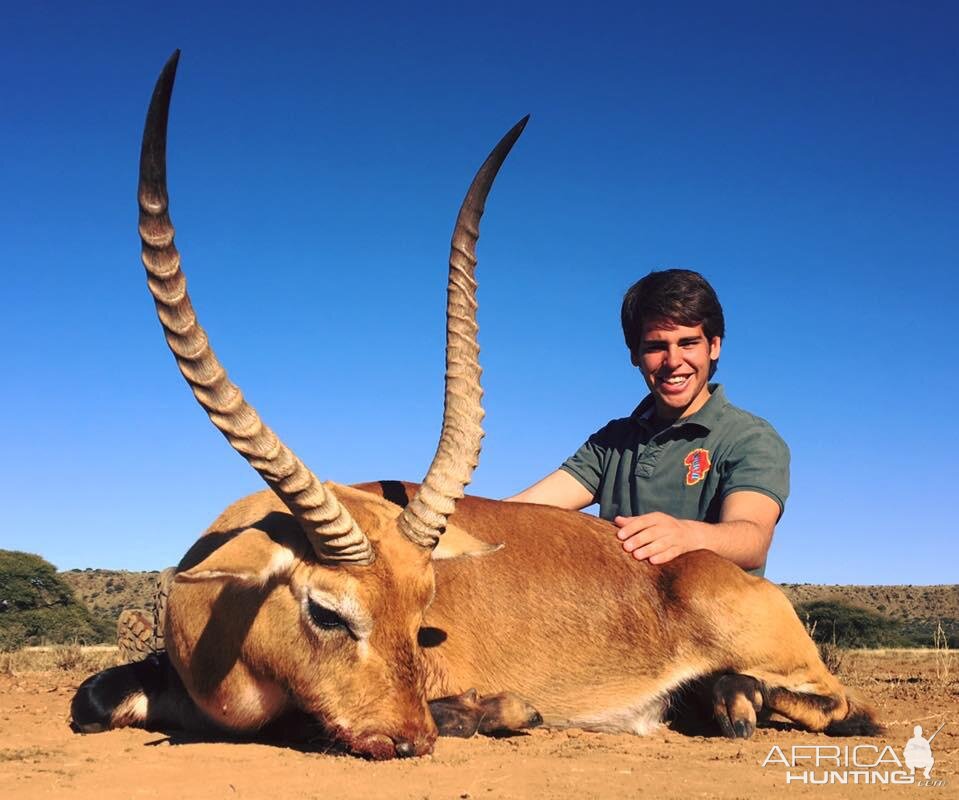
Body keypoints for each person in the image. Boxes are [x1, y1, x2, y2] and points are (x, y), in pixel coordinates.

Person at [505, 269, 789, 576]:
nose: (673, 361)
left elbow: (753, 539)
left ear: (714, 346)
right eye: (656, 346)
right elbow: (520, 511)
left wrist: (687, 535)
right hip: (623, 619)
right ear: (635, 355)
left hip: (712, 619)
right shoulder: (612, 441)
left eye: (688, 343)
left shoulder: (750, 437)